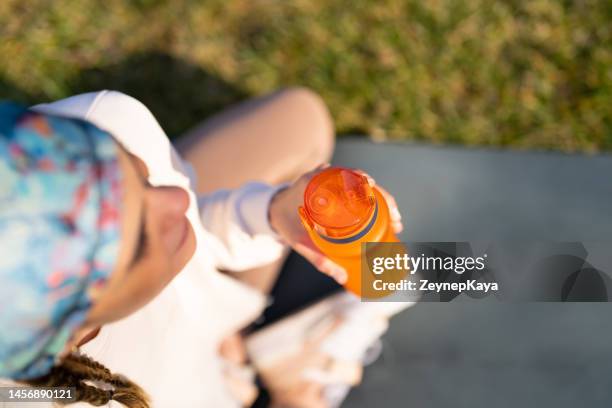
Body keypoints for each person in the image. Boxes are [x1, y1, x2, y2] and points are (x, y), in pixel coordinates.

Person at [0, 88, 402, 407]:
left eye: (139, 177)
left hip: (197, 326)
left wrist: (272, 214)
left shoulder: (107, 123)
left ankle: (236, 337)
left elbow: (197, 223)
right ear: (66, 337)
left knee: (301, 120)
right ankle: (273, 374)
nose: (175, 199)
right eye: (140, 240)